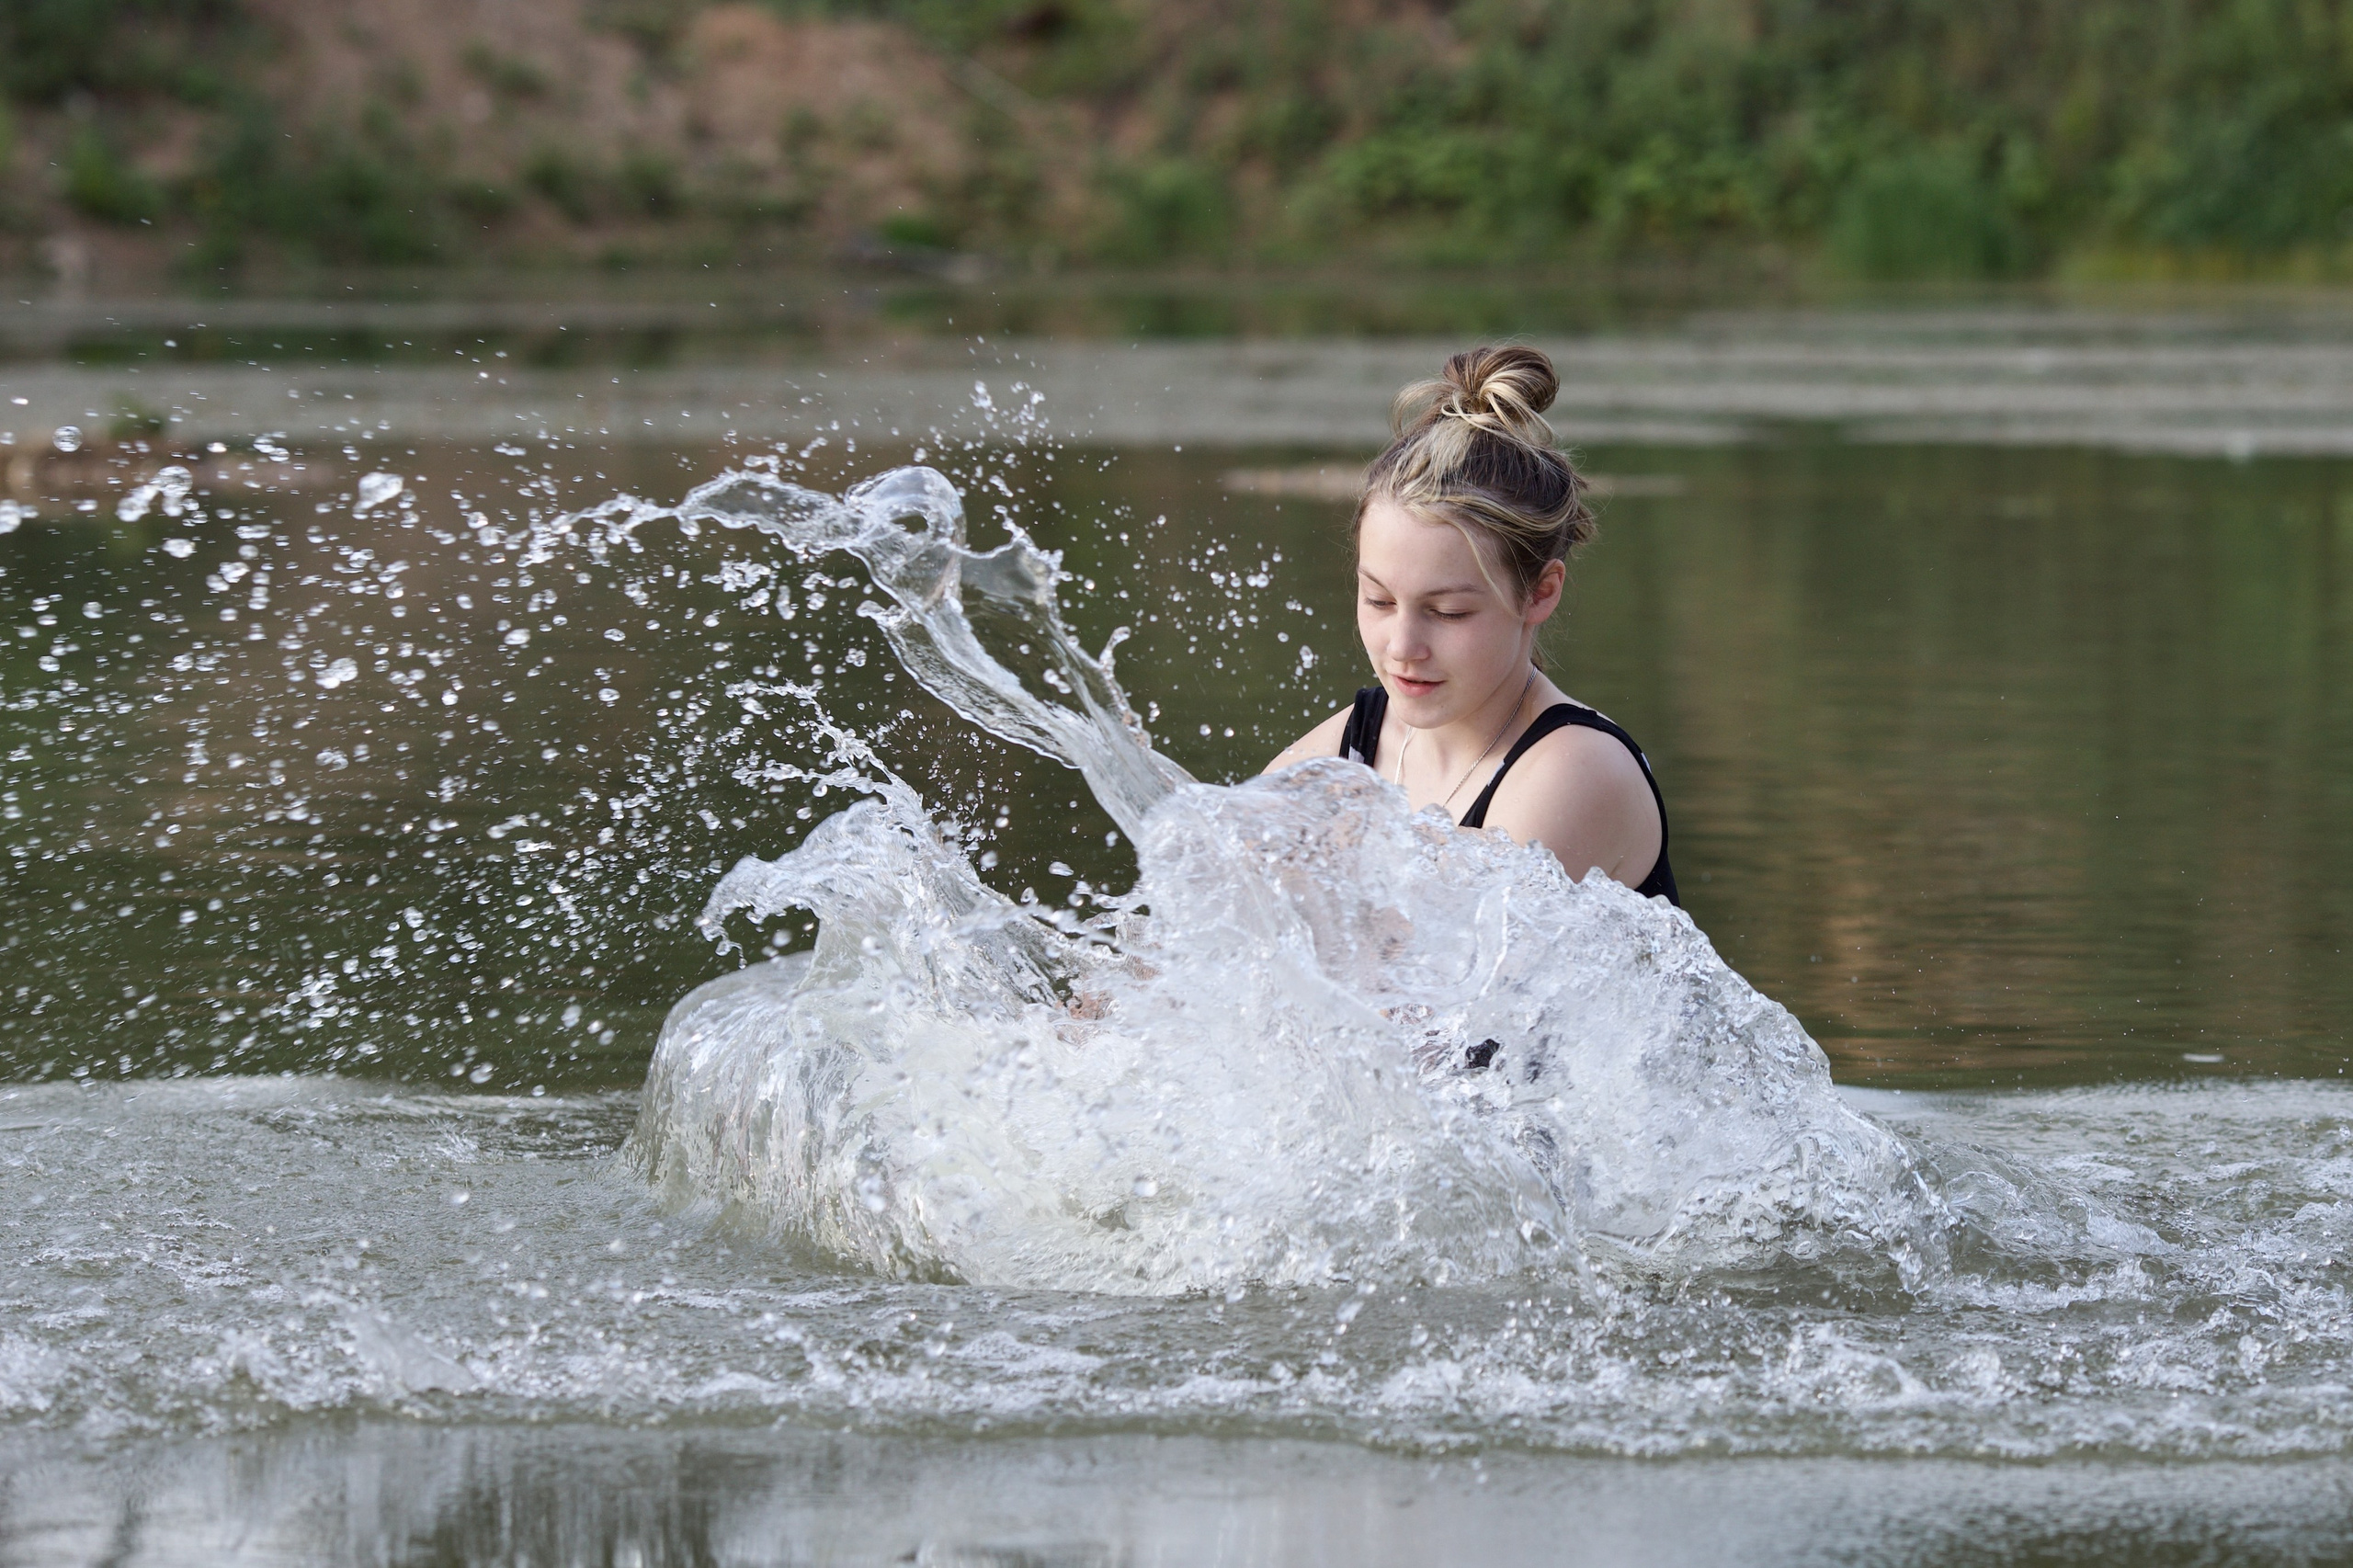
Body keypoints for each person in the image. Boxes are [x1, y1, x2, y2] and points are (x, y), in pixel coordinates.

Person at [1265, 345, 1679, 906]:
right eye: (1379, 601)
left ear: (1540, 592)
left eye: (1448, 612)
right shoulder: (1347, 748)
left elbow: (1419, 979)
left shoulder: (1577, 770)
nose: (1403, 648)